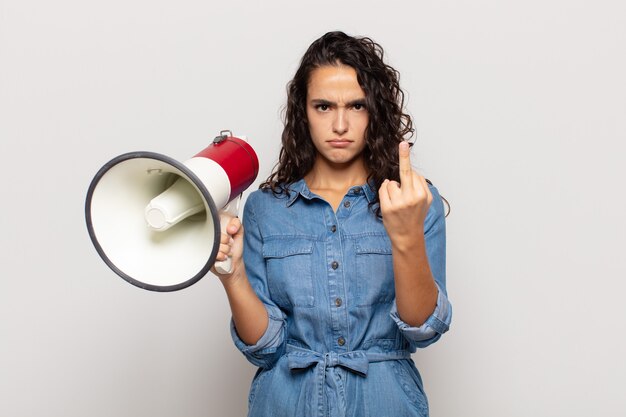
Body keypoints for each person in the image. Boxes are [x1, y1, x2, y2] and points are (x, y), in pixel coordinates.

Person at [212, 31, 452, 417]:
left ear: (376, 111)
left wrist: (406, 236)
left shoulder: (413, 201)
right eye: (323, 106)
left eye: (356, 106)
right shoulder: (264, 208)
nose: (340, 124)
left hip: (385, 402)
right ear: (302, 112)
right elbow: (265, 346)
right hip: (286, 403)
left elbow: (422, 327)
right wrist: (233, 275)